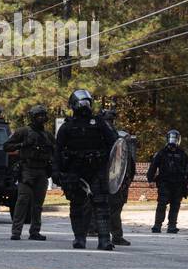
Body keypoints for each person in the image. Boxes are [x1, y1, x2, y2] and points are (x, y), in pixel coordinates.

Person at [53, 89, 118, 250]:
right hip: (75, 171)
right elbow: (57, 151)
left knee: (101, 204)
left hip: (97, 169)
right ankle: (79, 238)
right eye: (81, 103)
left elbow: (115, 145)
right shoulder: (67, 127)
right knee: (77, 205)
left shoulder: (99, 123)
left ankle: (104, 239)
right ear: (74, 105)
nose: (85, 106)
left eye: (87, 102)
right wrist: (56, 171)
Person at [4, 104, 54, 241]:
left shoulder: (48, 135)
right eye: (39, 116)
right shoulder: (23, 132)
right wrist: (22, 145)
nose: (41, 118)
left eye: (43, 115)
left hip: (42, 171)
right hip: (27, 170)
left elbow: (56, 151)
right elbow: (6, 146)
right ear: (33, 117)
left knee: (38, 204)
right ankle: (16, 231)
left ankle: (35, 231)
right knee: (22, 201)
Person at [99, 108, 135, 246]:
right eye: (108, 120)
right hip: (106, 180)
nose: (110, 123)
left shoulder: (116, 140)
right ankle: (110, 235)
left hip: (119, 183)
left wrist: (126, 183)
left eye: (111, 120)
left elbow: (130, 169)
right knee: (107, 209)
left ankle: (114, 235)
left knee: (115, 209)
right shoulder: (102, 137)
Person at [147, 130, 188, 234]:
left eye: (175, 138)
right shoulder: (161, 153)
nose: (173, 140)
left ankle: (172, 225)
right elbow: (153, 166)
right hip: (164, 182)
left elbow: (187, 169)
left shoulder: (182, 154)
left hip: (179, 183)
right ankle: (157, 225)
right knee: (162, 204)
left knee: (175, 204)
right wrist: (150, 179)